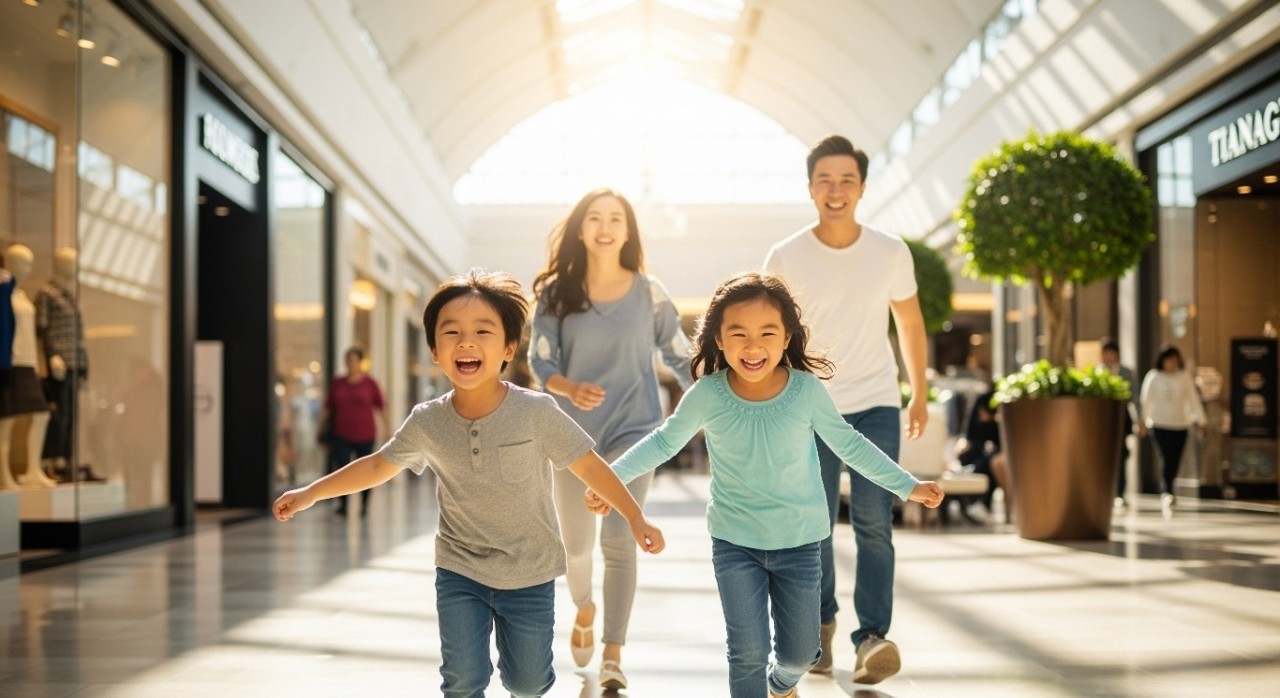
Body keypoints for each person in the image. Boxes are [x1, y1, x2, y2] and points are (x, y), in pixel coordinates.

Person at [273, 269, 665, 698]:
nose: (466, 341)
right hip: (461, 569)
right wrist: (310, 493)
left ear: (508, 348)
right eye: (452, 332)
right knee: (462, 681)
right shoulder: (428, 421)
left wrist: (634, 516)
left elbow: (588, 465)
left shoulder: (536, 411)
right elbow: (376, 466)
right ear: (435, 351)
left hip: (530, 571)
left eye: (483, 331)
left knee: (528, 682)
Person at [585, 272, 944, 698]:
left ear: (786, 336)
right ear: (719, 339)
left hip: (800, 541)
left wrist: (907, 486)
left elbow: (850, 445)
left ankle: (782, 685)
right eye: (738, 334)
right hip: (734, 543)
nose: (753, 346)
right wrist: (611, 482)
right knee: (746, 653)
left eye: (767, 333)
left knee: (800, 655)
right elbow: (662, 442)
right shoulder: (707, 394)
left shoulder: (807, 390)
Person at [762, 135, 930, 682]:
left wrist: (919, 391)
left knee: (874, 522)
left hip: (877, 402)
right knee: (816, 524)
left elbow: (909, 323)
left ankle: (872, 638)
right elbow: (770, 335)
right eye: (825, 181)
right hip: (811, 409)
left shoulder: (890, 251)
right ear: (811, 188)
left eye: (847, 180)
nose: (836, 191)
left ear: (861, 187)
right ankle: (821, 626)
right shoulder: (785, 255)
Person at [529, 187, 692, 688]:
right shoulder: (557, 293)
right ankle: (584, 609)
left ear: (627, 230)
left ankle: (613, 653)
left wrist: (715, 398)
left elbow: (680, 354)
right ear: (581, 229)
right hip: (570, 436)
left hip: (635, 428)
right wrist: (567, 386)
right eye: (595, 218)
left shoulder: (650, 292)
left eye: (615, 218)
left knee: (620, 537)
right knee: (577, 547)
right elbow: (540, 361)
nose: (605, 227)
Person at [0, 244, 57, 490]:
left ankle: (33, 469)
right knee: (7, 421)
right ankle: (4, 475)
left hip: (28, 363)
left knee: (42, 414)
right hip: (11, 363)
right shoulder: (4, 291)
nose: (28, 268)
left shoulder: (21, 295)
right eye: (24, 262)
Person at [35, 247, 90, 482]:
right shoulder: (47, 294)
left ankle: (66, 460)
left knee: (71, 415)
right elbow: (42, 328)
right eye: (71, 263)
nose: (74, 268)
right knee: (59, 414)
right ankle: (51, 461)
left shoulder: (70, 296)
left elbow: (78, 335)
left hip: (74, 363)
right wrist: (51, 357)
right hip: (58, 364)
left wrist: (85, 365)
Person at [319, 346, 390, 517]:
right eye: (348, 360)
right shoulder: (338, 383)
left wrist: (388, 429)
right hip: (341, 433)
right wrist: (321, 427)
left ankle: (364, 505)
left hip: (366, 434)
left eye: (353, 360)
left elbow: (382, 407)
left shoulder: (370, 383)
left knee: (366, 472)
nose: (350, 363)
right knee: (341, 468)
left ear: (360, 362)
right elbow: (328, 408)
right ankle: (343, 505)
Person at [1138, 344, 1206, 509]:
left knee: (1175, 459)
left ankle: (1170, 488)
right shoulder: (1154, 377)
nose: (1172, 363)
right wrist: (1142, 421)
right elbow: (1146, 400)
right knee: (1167, 457)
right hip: (1159, 424)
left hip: (1181, 424)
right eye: (1169, 360)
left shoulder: (1184, 376)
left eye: (1175, 360)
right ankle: (1167, 491)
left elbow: (1193, 399)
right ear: (1162, 361)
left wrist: (1202, 421)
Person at [1099, 338, 1138, 507]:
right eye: (1106, 353)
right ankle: (1104, 491)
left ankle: (1120, 492)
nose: (1109, 356)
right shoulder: (1097, 373)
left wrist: (1139, 419)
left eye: (1112, 353)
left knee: (1121, 455)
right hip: (1101, 420)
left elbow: (1134, 397)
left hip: (1122, 418)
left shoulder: (1126, 373)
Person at [954, 390, 1000, 515]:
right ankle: (975, 504)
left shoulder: (995, 424)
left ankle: (981, 504)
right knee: (974, 459)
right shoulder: (974, 419)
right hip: (975, 455)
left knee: (987, 464)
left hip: (987, 458)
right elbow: (967, 439)